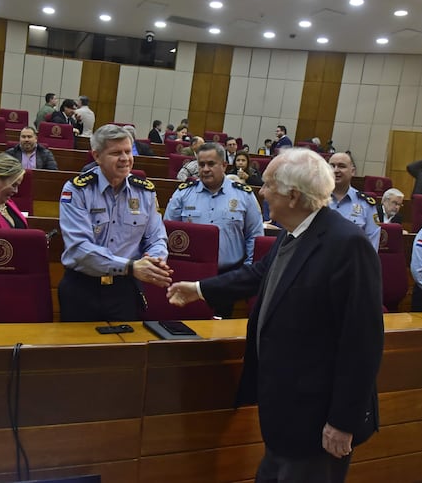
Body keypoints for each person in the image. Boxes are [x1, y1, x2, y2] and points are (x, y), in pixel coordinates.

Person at [166, 148, 383, 482]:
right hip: (287, 408)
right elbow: (259, 275)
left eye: (268, 186)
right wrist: (199, 289)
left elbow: (362, 344)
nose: (261, 192)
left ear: (293, 196)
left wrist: (343, 421)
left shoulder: (347, 245)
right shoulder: (296, 231)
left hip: (319, 416)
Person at [58, 124, 172, 322]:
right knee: (76, 351)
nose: (125, 159)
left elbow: (157, 237)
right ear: (96, 156)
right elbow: (79, 248)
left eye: (128, 151)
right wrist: (131, 266)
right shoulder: (77, 190)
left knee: (124, 351)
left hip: (124, 290)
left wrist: (154, 261)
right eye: (116, 153)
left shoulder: (144, 191)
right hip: (82, 288)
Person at [164, 142, 263, 317]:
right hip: (189, 273)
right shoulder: (183, 193)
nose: (205, 169)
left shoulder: (244, 195)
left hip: (227, 276)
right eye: (201, 164)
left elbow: (254, 238)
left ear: (224, 165)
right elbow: (167, 233)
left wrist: (245, 273)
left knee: (218, 332)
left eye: (211, 164)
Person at [328, 152, 380, 250]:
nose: (336, 170)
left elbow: (372, 244)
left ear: (353, 171)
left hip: (351, 263)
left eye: (341, 166)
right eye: (332, 166)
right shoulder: (315, 199)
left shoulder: (366, 204)